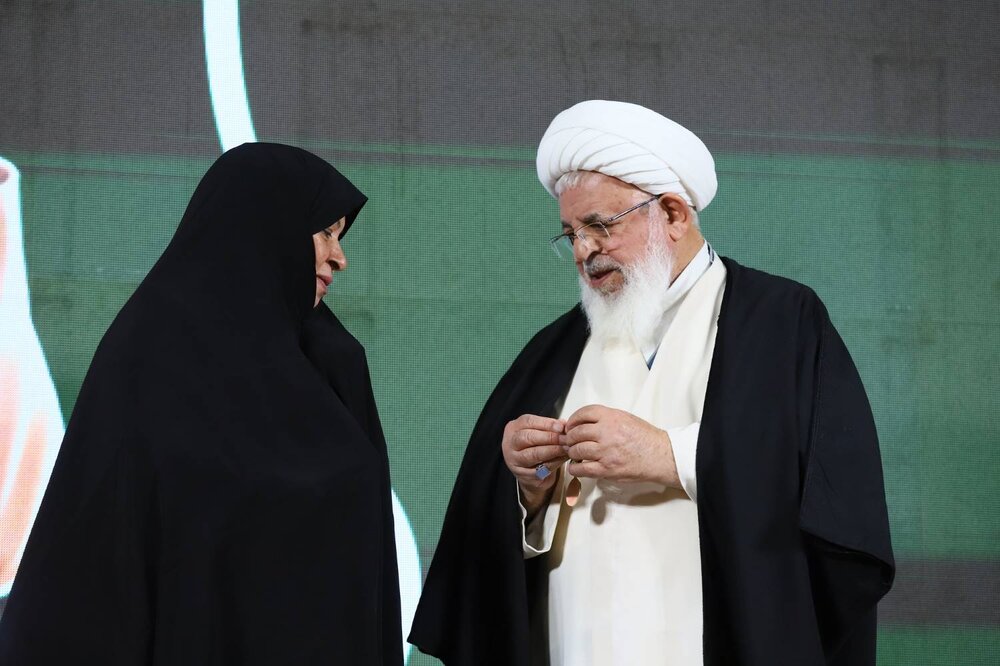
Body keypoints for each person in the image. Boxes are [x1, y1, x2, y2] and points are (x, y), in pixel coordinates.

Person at [409, 101, 894, 665]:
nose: (584, 251)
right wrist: (529, 486)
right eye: (571, 234)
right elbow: (491, 554)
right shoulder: (553, 350)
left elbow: (832, 489)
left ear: (672, 214)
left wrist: (669, 455)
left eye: (600, 226)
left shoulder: (781, 320)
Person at [0, 143, 403, 665]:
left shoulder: (333, 363)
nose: (339, 258)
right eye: (326, 232)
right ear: (266, 222)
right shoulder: (149, 354)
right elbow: (91, 567)